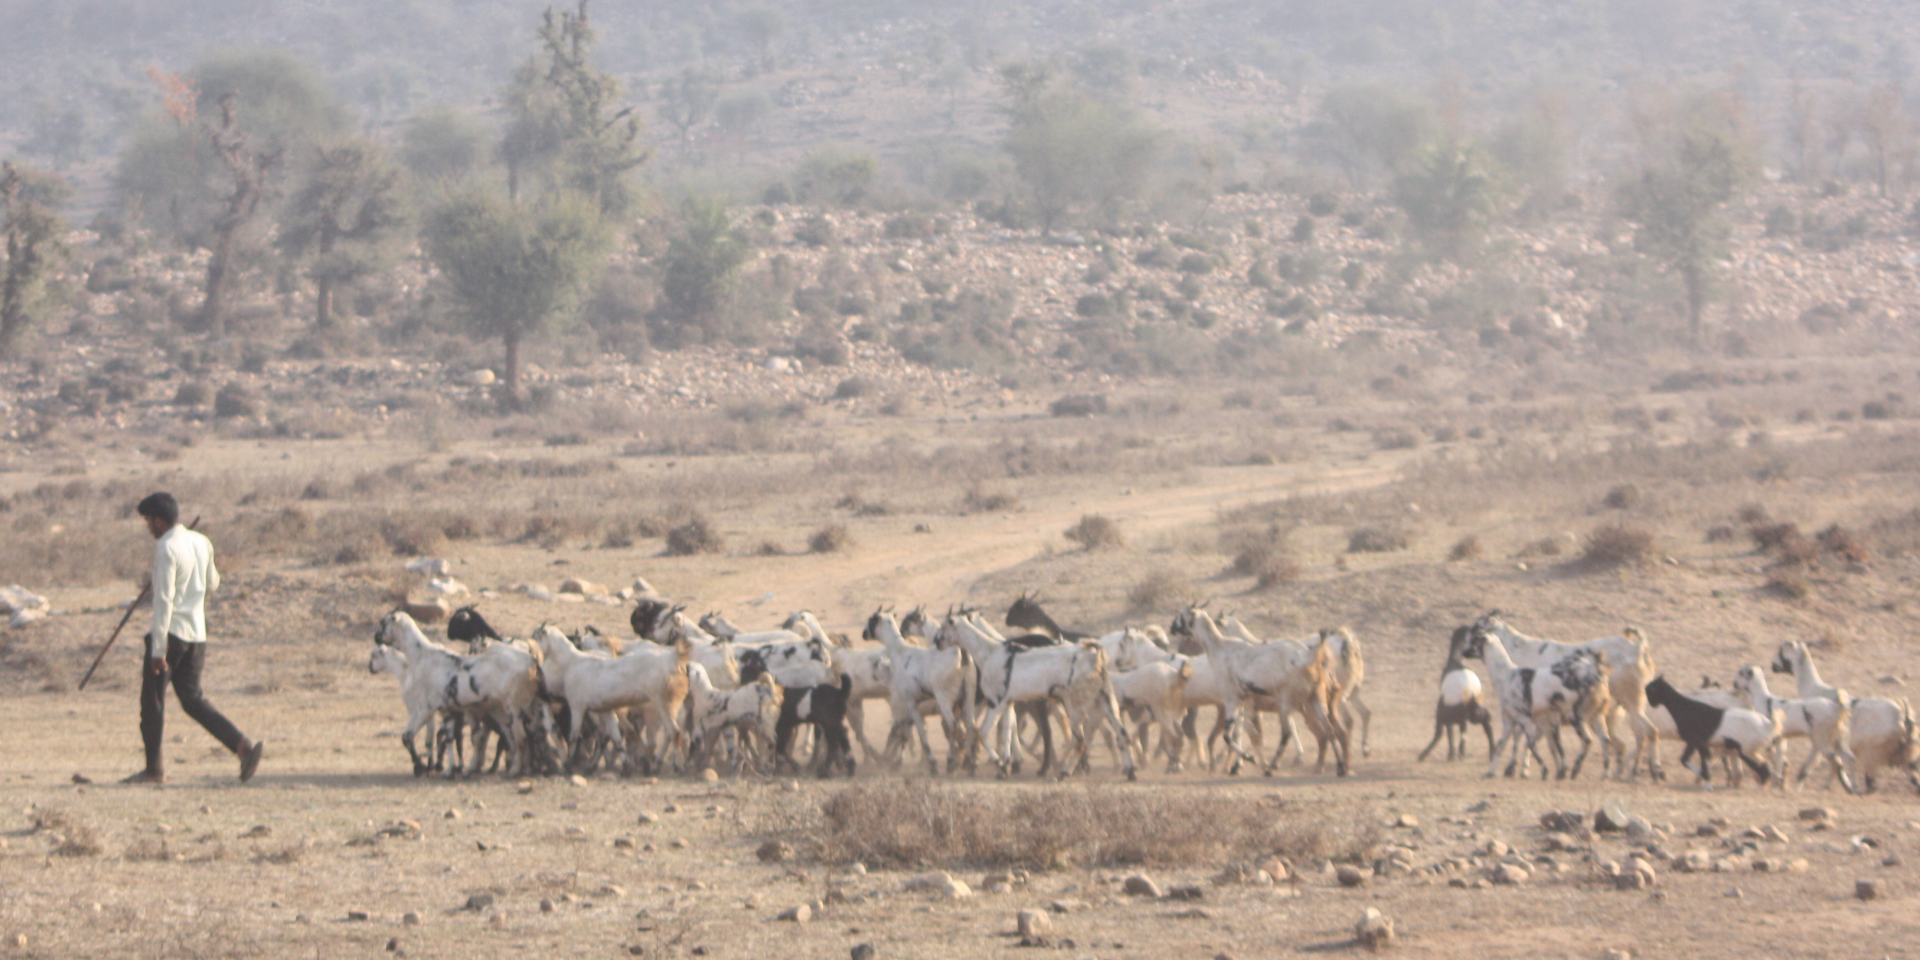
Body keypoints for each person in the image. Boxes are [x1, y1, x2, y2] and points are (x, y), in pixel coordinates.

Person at [124, 493, 264, 784]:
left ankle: (154, 770)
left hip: (170, 634)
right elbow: (212, 583)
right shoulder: (200, 542)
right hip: (197, 633)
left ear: (159, 521)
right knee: (193, 700)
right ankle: (241, 745)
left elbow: (164, 600)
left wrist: (157, 650)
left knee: (152, 703)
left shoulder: (166, 547)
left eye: (149, 521)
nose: (149, 527)